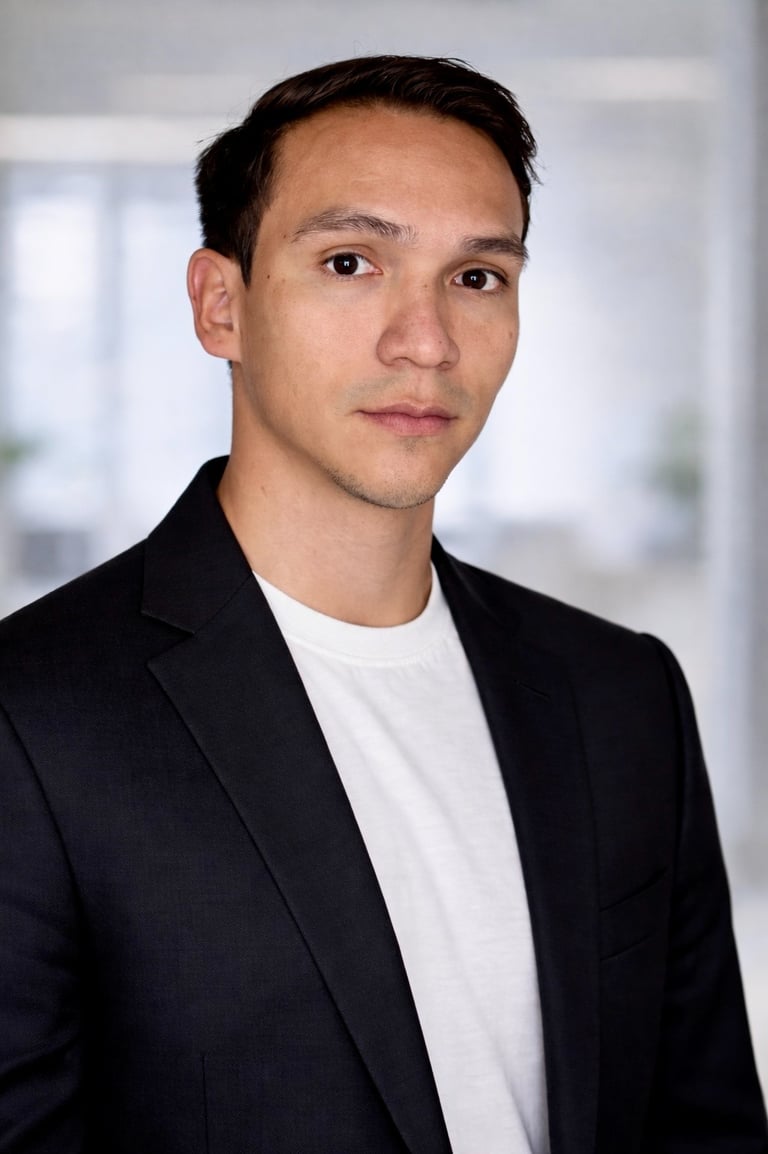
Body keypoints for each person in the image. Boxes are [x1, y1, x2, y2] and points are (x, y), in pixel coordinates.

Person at [0, 54, 765, 1154]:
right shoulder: (33, 715)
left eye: (478, 276)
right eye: (351, 262)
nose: (427, 342)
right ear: (222, 304)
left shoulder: (621, 693)